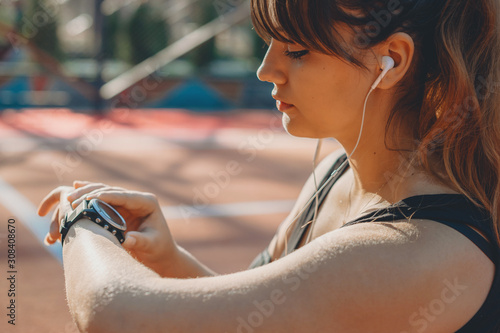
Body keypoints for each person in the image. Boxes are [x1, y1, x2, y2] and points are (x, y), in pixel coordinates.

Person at [38, 0, 500, 332]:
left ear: (391, 60)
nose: (265, 69)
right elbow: (273, 316)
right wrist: (168, 260)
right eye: (269, 45)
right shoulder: (334, 173)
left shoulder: (412, 250)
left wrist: (86, 220)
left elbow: (116, 316)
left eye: (297, 51)